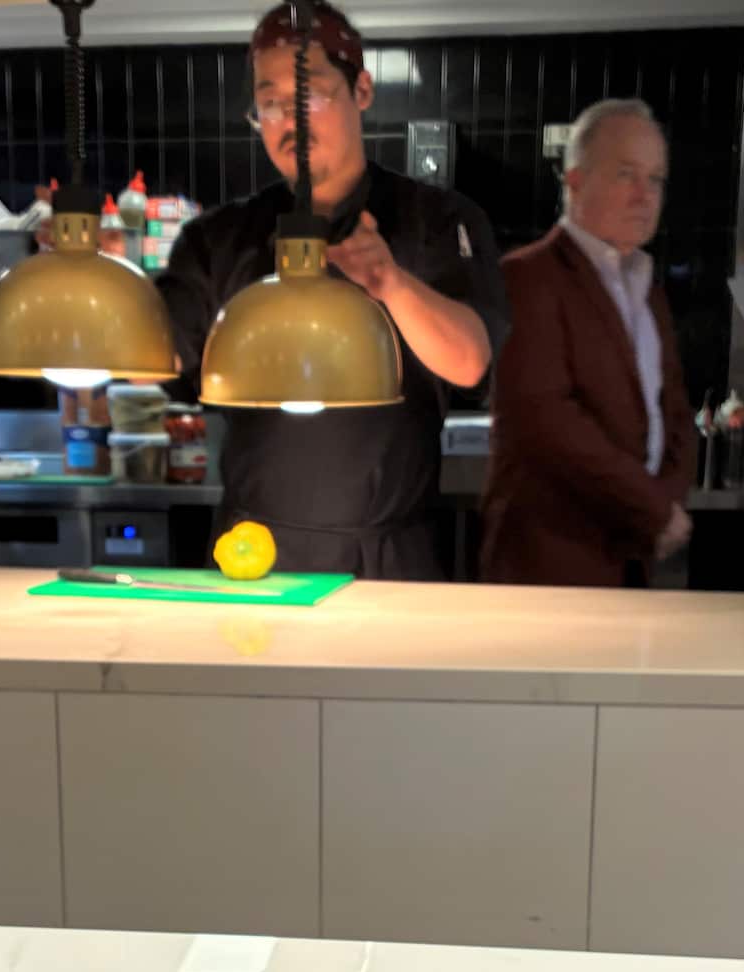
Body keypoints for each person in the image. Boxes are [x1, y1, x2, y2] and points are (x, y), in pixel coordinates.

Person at [158, 2, 509, 580]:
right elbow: (162, 357)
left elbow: (470, 362)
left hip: (391, 557)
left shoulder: (440, 219)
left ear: (363, 90)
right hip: (251, 556)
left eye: (310, 94)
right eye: (270, 102)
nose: (289, 118)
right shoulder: (218, 239)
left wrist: (391, 283)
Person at [481, 99, 696, 587]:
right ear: (575, 180)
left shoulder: (647, 283)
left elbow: (676, 409)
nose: (645, 195)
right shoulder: (526, 277)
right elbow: (547, 421)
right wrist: (656, 509)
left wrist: (667, 503)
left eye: (656, 179)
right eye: (627, 174)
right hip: (552, 562)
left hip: (637, 555)